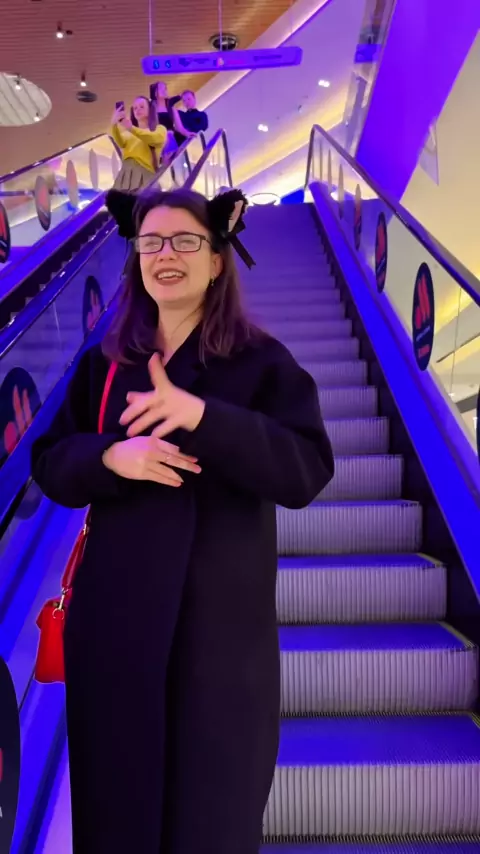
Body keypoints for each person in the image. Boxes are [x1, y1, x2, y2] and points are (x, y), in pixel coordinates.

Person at [31, 186, 335, 854]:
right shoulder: (106, 364)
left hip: (218, 652)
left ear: (217, 259)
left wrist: (201, 416)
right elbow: (49, 461)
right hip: (115, 640)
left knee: (211, 823)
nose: (165, 255)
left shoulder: (261, 363)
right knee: (117, 820)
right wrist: (112, 457)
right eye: (151, 243)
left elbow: (307, 470)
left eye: (185, 241)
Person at [110, 96, 167, 191]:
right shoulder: (129, 133)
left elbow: (154, 138)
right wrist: (114, 125)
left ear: (150, 109)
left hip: (145, 175)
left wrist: (131, 128)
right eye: (135, 108)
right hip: (125, 175)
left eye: (141, 106)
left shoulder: (160, 129)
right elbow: (120, 143)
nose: (137, 110)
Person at [150, 81, 195, 157]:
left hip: (169, 140)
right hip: (157, 141)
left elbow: (179, 127)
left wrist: (187, 133)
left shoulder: (171, 107)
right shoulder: (151, 109)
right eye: (161, 88)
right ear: (155, 92)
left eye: (165, 88)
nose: (164, 90)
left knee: (169, 158)